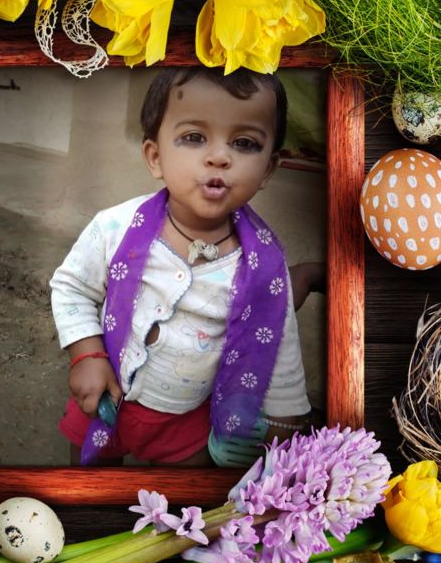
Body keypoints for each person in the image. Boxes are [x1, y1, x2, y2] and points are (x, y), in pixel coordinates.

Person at [50, 66, 315, 467]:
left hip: (187, 418)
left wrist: (284, 422)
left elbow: (276, 342)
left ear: (267, 169)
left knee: (188, 494)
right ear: (155, 157)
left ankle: (310, 273)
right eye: (194, 137)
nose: (219, 157)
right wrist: (87, 354)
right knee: (88, 480)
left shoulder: (264, 266)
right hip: (107, 392)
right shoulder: (115, 227)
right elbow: (72, 287)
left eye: (244, 143)